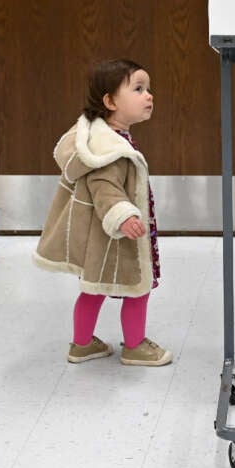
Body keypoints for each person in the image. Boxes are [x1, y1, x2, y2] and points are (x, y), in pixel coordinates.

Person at [34, 59, 171, 367]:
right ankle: (135, 346)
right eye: (138, 89)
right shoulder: (110, 148)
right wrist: (125, 216)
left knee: (93, 288)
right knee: (138, 288)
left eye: (148, 89)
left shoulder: (103, 139)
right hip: (117, 235)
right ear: (110, 101)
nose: (149, 96)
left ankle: (82, 344)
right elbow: (104, 187)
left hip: (102, 238)